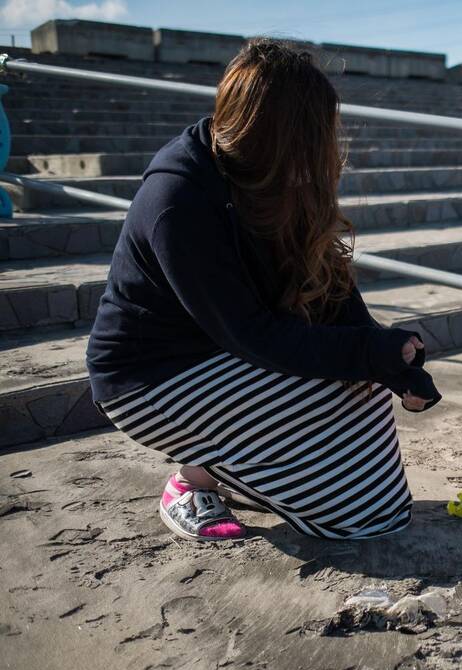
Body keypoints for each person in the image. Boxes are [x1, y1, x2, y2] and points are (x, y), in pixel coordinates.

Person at [86, 40, 440, 542]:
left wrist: (391, 362)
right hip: (154, 374)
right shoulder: (179, 198)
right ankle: (193, 478)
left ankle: (238, 465)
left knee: (362, 395)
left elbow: (329, 285)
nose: (327, 147)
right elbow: (252, 334)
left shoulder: (270, 177)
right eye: (316, 134)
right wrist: (365, 351)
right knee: (365, 517)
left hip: (233, 351)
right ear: (276, 135)